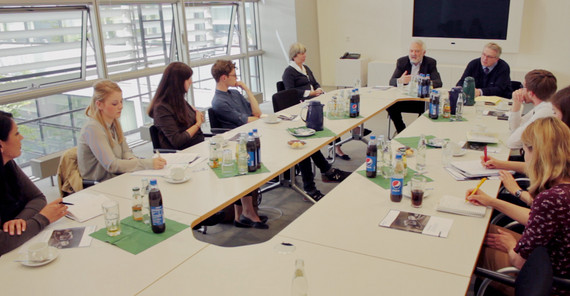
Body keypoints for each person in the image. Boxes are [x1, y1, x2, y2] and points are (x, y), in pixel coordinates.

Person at [212, 60, 350, 202]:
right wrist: (261, 118)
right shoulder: (219, 101)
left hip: (257, 131)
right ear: (224, 77)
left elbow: (257, 112)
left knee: (302, 138)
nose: (237, 79)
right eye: (234, 75)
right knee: (299, 144)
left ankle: (324, 173)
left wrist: (247, 90)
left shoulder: (234, 93)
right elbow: (246, 120)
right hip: (246, 142)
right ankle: (314, 184)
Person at [467, 117, 570, 295]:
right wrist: (491, 201)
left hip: (548, 281)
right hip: (550, 259)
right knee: (477, 232)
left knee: (470, 247)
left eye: (525, 149)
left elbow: (519, 261)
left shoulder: (551, 199)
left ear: (537, 153)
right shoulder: (561, 190)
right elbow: (537, 219)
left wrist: (510, 245)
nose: (524, 155)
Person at [1, 111, 69, 256]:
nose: (22, 137)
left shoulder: (8, 165)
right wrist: (43, 218)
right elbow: (2, 243)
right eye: (16, 134)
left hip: (21, 245)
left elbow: (37, 198)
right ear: (1, 145)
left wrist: (19, 221)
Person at [78, 80, 166, 182]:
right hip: (101, 183)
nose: (121, 106)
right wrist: (147, 164)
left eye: (121, 101)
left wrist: (132, 159)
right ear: (99, 104)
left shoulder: (114, 122)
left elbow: (126, 151)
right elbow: (111, 165)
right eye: (115, 103)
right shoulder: (92, 129)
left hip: (117, 177)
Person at [282, 42, 355, 160]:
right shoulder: (289, 72)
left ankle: (344, 138)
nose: (304, 55)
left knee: (336, 106)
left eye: (304, 53)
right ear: (294, 55)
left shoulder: (306, 68)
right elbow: (290, 91)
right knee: (331, 113)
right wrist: (309, 93)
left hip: (315, 97)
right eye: (301, 53)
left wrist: (318, 89)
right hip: (304, 101)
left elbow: (314, 83)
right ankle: (340, 143)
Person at [387, 39, 443, 133]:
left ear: (423, 52)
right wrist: (400, 80)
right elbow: (391, 82)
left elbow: (438, 82)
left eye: (417, 51)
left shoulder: (430, 62)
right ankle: (401, 130)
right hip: (405, 99)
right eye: (411, 51)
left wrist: (425, 82)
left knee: (430, 106)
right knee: (390, 105)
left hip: (422, 101)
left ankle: (418, 131)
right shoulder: (402, 61)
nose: (413, 54)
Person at [148, 62, 205, 150]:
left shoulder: (179, 100)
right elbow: (177, 141)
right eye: (188, 79)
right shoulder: (161, 108)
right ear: (178, 82)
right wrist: (197, 124)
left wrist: (195, 115)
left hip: (196, 147)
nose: (191, 82)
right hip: (182, 153)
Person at [506, 69, 557, 149]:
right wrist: (516, 104)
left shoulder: (544, 113)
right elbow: (515, 129)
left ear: (531, 93)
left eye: (523, 87)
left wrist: (516, 102)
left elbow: (512, 143)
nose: (521, 90)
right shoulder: (544, 106)